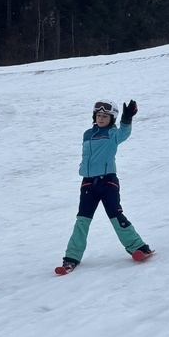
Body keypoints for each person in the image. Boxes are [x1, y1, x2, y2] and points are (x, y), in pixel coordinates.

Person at [61, 99, 151, 271]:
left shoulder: (113, 134)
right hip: (88, 183)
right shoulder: (87, 134)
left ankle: (138, 247)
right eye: (99, 115)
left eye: (105, 116)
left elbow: (124, 133)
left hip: (108, 182)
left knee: (116, 216)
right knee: (82, 221)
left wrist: (127, 119)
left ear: (112, 119)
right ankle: (71, 257)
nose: (101, 118)